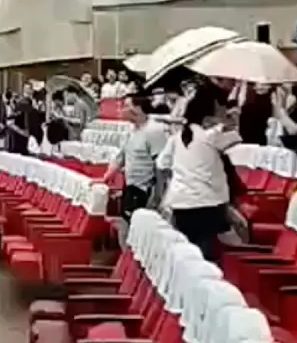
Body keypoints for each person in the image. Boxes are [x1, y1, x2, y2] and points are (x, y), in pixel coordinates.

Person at [161, 88, 243, 258]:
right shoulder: (211, 136)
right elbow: (237, 137)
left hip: (180, 202)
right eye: (220, 112)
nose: (223, 115)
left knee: (187, 252)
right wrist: (234, 120)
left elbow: (162, 163)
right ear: (208, 117)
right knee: (204, 254)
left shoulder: (178, 137)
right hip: (206, 203)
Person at [103, 95, 170, 219]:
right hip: (130, 185)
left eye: (126, 106)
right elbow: (121, 156)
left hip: (146, 188)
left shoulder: (154, 131)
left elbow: (161, 165)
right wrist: (106, 177)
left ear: (138, 109)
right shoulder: (131, 129)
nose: (121, 110)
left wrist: (159, 195)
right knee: (126, 221)